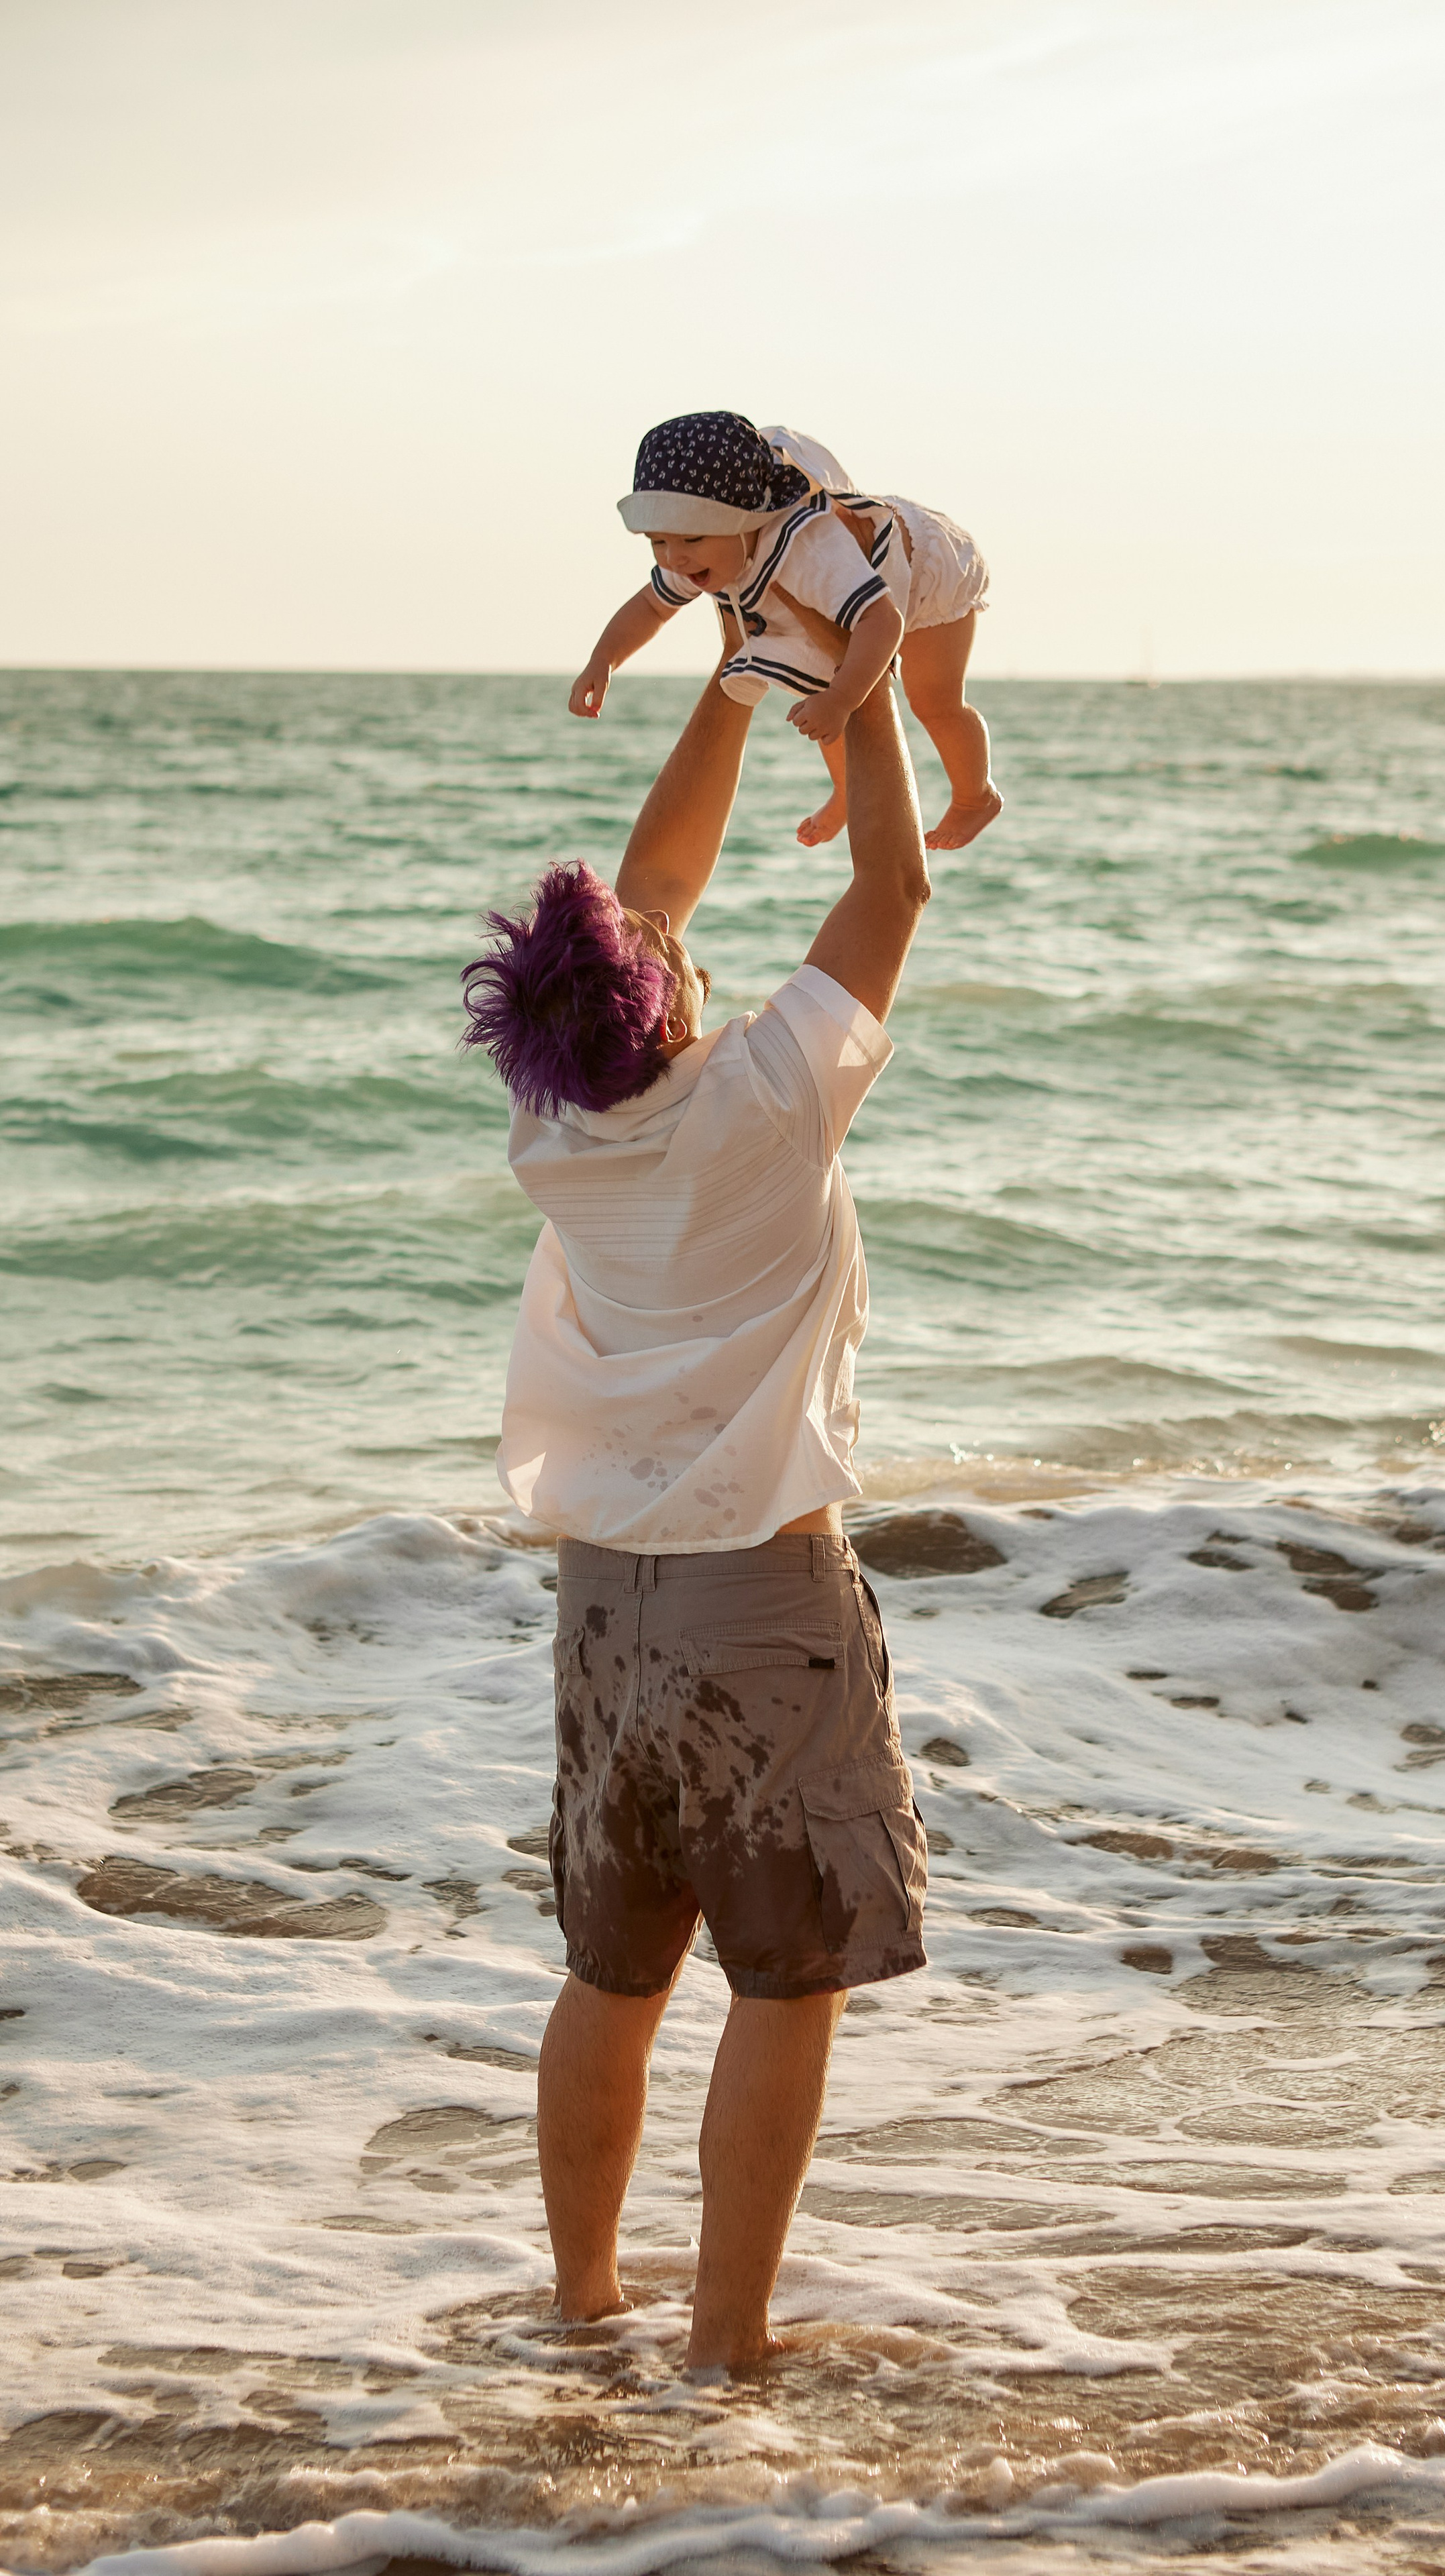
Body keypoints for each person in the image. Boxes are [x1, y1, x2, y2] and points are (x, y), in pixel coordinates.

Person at [460, 626, 933, 2373]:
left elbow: (651, 890)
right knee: (781, 1980)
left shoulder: (554, 1132)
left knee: (613, 1975)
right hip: (761, 1603)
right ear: (669, 1002)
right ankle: (726, 2348)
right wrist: (862, 694)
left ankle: (584, 2310)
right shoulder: (766, 1102)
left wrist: (739, 681)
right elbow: (893, 882)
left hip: (606, 1604)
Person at [569, 411, 1002, 854]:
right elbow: (650, 606)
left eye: (691, 541)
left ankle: (975, 796)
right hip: (852, 598)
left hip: (928, 572)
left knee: (933, 702)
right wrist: (603, 660)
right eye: (657, 542)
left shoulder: (810, 550)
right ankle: (847, 790)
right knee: (814, 681)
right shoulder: (695, 550)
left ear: (745, 520)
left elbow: (883, 621)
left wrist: (842, 700)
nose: (673, 558)